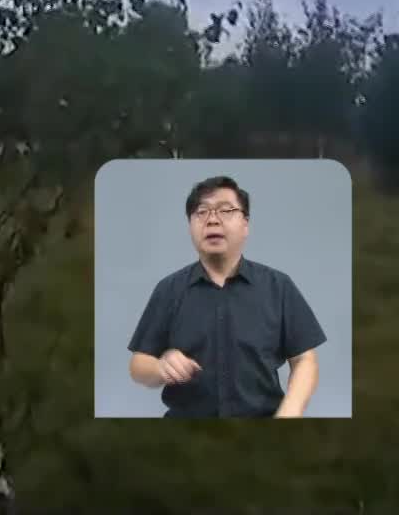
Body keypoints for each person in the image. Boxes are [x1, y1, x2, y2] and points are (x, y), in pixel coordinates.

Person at [126, 175, 326, 418]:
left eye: (225, 210)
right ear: (190, 225)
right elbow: (138, 364)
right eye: (201, 212)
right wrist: (160, 367)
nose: (212, 220)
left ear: (245, 223)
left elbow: (305, 359)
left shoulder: (278, 286)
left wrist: (289, 412)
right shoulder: (169, 289)